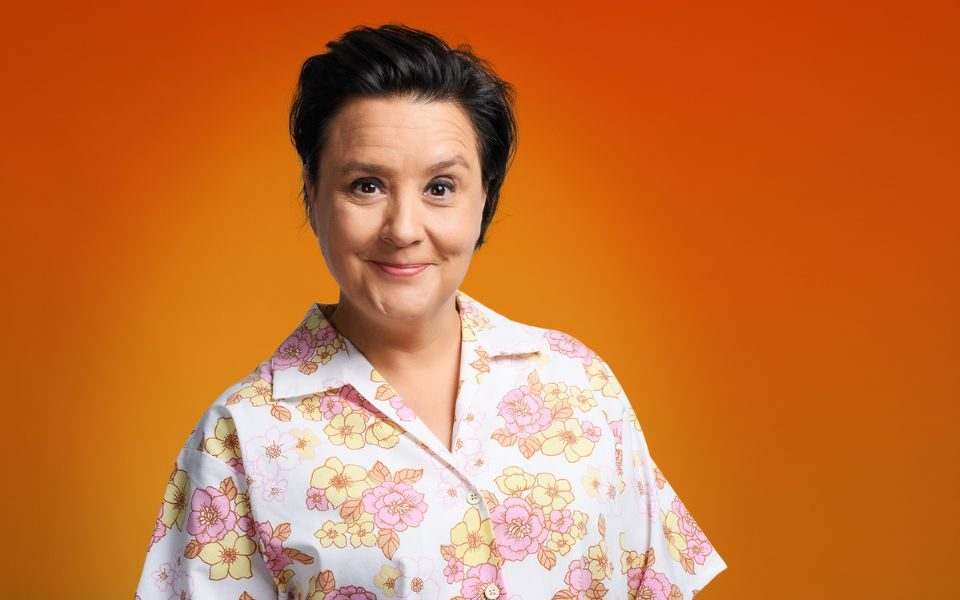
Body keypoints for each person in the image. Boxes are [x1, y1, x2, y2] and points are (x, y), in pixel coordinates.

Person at [134, 23, 727, 600]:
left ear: (484, 198)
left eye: (440, 187)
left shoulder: (578, 384)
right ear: (313, 197)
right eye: (367, 185)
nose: (404, 229)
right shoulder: (241, 436)